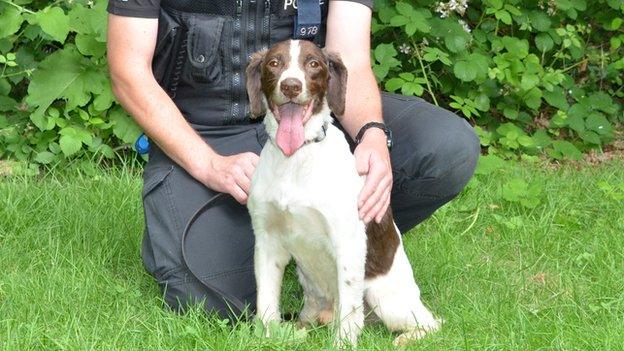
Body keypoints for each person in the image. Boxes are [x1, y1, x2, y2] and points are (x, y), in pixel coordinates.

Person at [106, 0, 480, 319]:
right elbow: (128, 72)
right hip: (204, 130)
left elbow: (348, 56)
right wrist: (208, 164)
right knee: (204, 299)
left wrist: (372, 133)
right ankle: (279, 251)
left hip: (311, 114)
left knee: (446, 148)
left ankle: (338, 250)